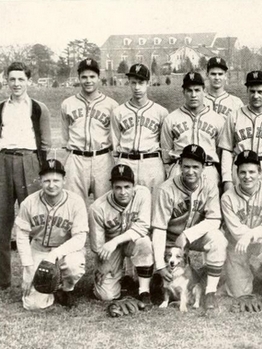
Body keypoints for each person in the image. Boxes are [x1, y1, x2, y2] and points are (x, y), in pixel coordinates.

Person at [152, 144, 227, 310]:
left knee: (218, 239)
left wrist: (188, 234)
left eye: (195, 167)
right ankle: (157, 278)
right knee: (157, 283)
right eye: (186, 167)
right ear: (179, 166)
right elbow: (158, 229)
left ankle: (210, 292)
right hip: (169, 240)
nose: (190, 171)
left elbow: (214, 219)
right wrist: (160, 265)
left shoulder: (209, 185)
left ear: (203, 168)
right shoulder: (165, 189)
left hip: (194, 236)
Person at [0, 61, 51, 290]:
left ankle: (36, 276)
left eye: (21, 79)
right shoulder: (1, 107)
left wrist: (39, 168)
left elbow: (46, 143)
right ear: (6, 81)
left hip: (29, 161)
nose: (16, 84)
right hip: (3, 162)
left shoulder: (38, 108)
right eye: (12, 79)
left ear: (28, 81)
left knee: (34, 220)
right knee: (2, 221)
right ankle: (2, 280)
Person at [15, 159, 88, 309]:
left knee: (74, 266)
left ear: (64, 181)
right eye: (47, 180)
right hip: (39, 249)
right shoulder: (29, 202)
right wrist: (28, 268)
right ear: (40, 181)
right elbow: (21, 235)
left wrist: (54, 254)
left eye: (56, 180)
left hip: (66, 251)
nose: (51, 185)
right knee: (33, 305)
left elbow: (80, 238)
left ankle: (66, 289)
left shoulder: (76, 202)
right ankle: (50, 290)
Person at [221, 151, 262, 311]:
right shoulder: (227, 197)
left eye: (251, 172)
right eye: (242, 172)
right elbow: (236, 230)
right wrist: (247, 236)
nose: (247, 176)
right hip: (238, 245)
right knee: (239, 292)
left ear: (259, 173)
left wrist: (250, 234)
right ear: (237, 174)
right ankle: (255, 274)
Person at [89, 165, 154, 304]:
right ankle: (116, 280)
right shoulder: (97, 208)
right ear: (111, 187)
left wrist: (116, 241)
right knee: (106, 296)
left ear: (133, 186)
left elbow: (143, 226)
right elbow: (98, 245)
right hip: (110, 249)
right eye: (118, 187)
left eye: (127, 187)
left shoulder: (143, 194)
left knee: (145, 242)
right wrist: (103, 265)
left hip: (132, 241)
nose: (123, 192)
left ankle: (144, 290)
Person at [61, 58, 119, 203]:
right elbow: (65, 136)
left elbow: (115, 137)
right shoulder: (68, 104)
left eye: (92, 76)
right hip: (76, 159)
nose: (88, 81)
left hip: (102, 159)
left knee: (105, 205)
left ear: (99, 78)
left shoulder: (111, 105)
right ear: (79, 78)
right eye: (84, 77)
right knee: (73, 204)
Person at [111, 63, 168, 193]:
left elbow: (164, 144)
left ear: (148, 83)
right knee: (125, 206)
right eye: (133, 83)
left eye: (141, 82)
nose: (137, 87)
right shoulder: (118, 112)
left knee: (153, 207)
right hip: (126, 161)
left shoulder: (160, 112)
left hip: (151, 162)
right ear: (129, 83)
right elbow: (115, 145)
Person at [160, 72, 225, 183]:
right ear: (183, 92)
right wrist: (171, 170)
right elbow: (166, 153)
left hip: (208, 169)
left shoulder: (217, 119)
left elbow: (221, 152)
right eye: (189, 90)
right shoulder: (171, 119)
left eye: (197, 90)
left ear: (204, 91)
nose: (193, 95)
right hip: (180, 170)